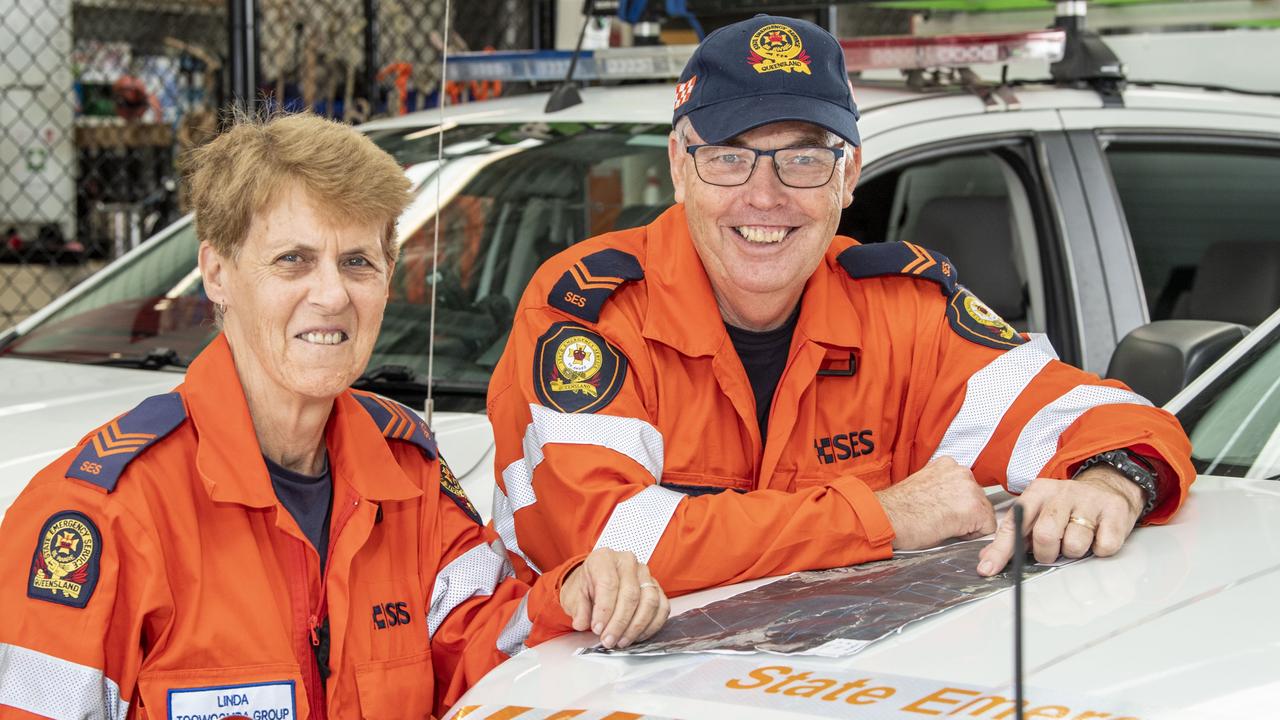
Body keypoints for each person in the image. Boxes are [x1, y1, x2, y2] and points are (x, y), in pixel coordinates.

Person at [485, 15, 1194, 596]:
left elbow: (1109, 418)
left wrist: (1112, 478)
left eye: (804, 158)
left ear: (848, 176)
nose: (764, 196)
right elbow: (611, 542)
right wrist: (883, 516)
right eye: (729, 157)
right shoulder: (590, 312)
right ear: (678, 166)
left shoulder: (900, 311)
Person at [0, 113, 667, 720]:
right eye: (294, 260)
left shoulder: (409, 473)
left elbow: (479, 646)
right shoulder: (102, 514)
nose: (332, 294)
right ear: (217, 272)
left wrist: (574, 594)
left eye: (357, 263)